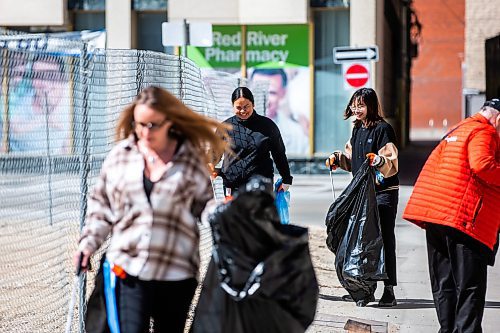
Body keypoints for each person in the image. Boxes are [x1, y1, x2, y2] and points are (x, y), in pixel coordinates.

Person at [73, 86, 229, 333]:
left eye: (153, 125)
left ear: (169, 121)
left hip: (176, 271)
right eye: (139, 124)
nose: (145, 132)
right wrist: (88, 243)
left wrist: (223, 213)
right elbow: (102, 207)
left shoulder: (188, 160)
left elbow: (205, 205)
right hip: (128, 267)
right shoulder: (121, 156)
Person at [403, 99, 500, 333]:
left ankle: (447, 329)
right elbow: (483, 165)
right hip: (464, 219)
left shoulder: (458, 129)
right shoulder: (484, 131)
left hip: (436, 216)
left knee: (444, 283)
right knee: (469, 286)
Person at [326, 87, 399, 307]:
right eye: (353, 105)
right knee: (358, 240)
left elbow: (391, 163)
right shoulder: (357, 129)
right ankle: (364, 289)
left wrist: (378, 161)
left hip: (382, 194)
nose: (356, 109)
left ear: (371, 106)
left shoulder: (383, 129)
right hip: (360, 195)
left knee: (384, 239)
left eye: (361, 105)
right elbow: (351, 159)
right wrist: (338, 159)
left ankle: (389, 290)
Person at [212, 86, 293, 199]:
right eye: (238, 107)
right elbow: (214, 153)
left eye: (246, 106)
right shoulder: (225, 128)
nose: (243, 111)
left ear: (253, 104)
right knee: (236, 217)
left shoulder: (268, 126)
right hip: (233, 186)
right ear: (232, 106)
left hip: (261, 186)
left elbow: (279, 153)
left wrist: (286, 179)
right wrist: (210, 165)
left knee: (259, 217)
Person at [7, 56, 71, 153]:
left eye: (51, 75)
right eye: (37, 76)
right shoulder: (21, 104)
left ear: (62, 78)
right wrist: (44, 119)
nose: (44, 82)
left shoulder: (74, 101)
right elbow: (11, 131)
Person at [250, 68, 308, 155]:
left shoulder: (298, 136)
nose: (264, 99)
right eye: (258, 92)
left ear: (283, 93)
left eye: (272, 93)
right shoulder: (230, 130)